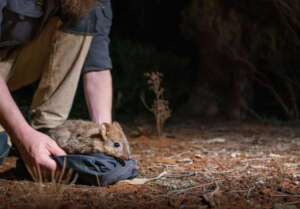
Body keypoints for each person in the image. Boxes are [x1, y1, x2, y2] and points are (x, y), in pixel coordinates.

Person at [0, 0, 113, 175]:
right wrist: (23, 136)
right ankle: (18, 135)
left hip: (15, 63)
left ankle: (48, 131)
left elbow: (97, 68)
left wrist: (106, 136)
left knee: (85, 11)